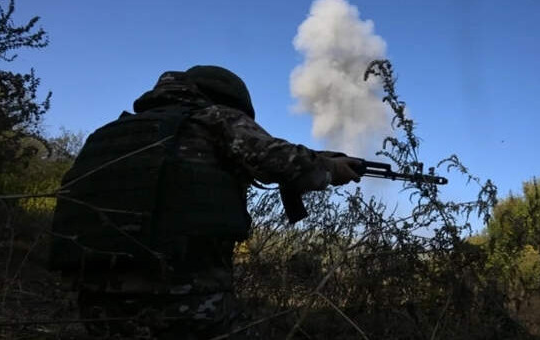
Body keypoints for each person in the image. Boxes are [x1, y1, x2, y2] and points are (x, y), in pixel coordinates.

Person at [50, 65, 361, 339]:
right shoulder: (214, 117)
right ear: (229, 101)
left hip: (92, 299)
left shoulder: (107, 133)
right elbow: (281, 159)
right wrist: (331, 169)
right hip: (181, 294)